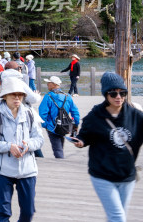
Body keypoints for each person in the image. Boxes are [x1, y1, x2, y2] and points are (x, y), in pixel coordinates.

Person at [74, 72, 143, 222]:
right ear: (106, 94)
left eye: (122, 93)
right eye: (113, 93)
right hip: (103, 175)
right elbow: (84, 135)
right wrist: (80, 141)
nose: (118, 97)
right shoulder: (96, 115)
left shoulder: (136, 115)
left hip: (127, 175)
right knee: (118, 217)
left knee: (118, 216)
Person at [0, 77, 44, 222]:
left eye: (20, 94)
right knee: (4, 212)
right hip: (3, 170)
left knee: (28, 212)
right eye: (13, 94)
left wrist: (28, 145)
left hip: (27, 170)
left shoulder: (30, 113)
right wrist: (9, 147)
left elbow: (39, 139)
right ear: (5, 96)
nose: (17, 97)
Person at [39, 76, 80, 159]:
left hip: (52, 127)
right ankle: (61, 161)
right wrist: (76, 124)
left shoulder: (48, 96)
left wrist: (45, 125)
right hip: (65, 125)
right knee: (60, 146)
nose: (47, 84)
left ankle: (61, 165)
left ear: (54, 84)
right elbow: (75, 111)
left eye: (49, 83)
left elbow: (42, 113)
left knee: (57, 149)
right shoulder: (67, 96)